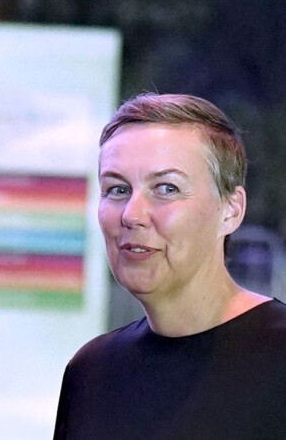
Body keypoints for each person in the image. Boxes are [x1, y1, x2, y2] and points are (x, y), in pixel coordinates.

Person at [54, 93, 286, 440]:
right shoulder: (91, 372)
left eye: (166, 188)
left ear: (232, 210)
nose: (131, 215)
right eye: (117, 189)